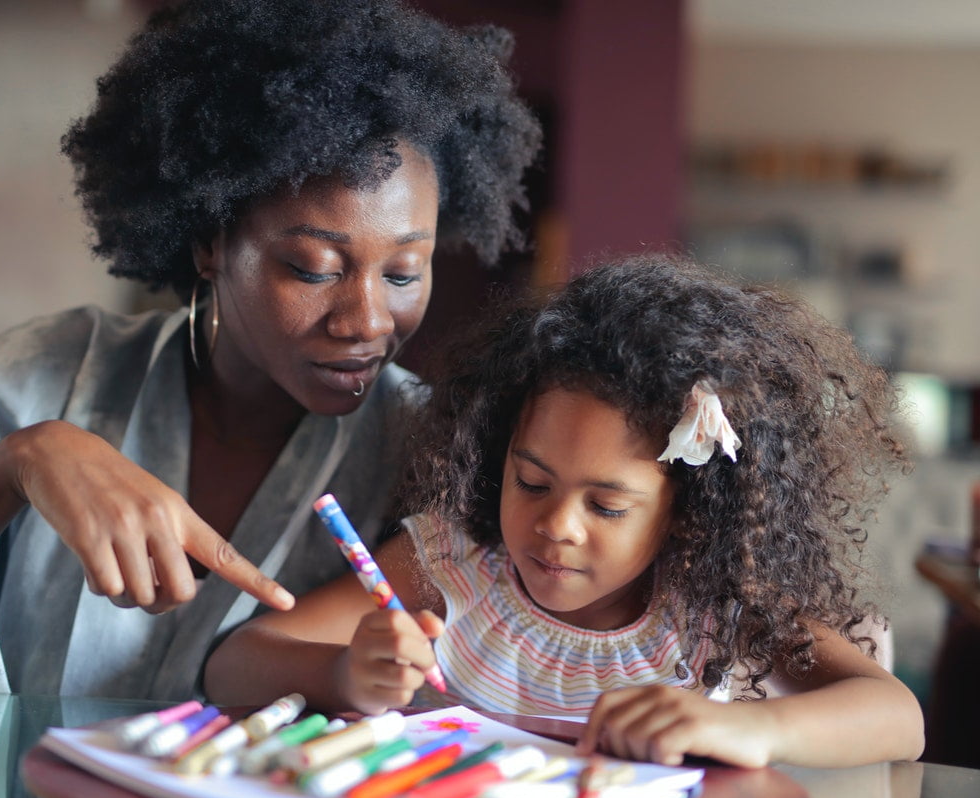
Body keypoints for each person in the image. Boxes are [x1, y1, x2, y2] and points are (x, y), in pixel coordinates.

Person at [0, 0, 541, 699]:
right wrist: (20, 464)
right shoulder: (49, 377)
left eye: (405, 270)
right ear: (208, 241)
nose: (367, 317)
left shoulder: (437, 451)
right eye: (313, 268)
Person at [204, 255, 926, 768]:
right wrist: (345, 678)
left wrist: (757, 727)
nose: (556, 526)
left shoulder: (715, 602)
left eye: (607, 506)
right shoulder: (456, 564)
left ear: (685, 511)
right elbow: (233, 666)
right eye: (531, 481)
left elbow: (898, 717)